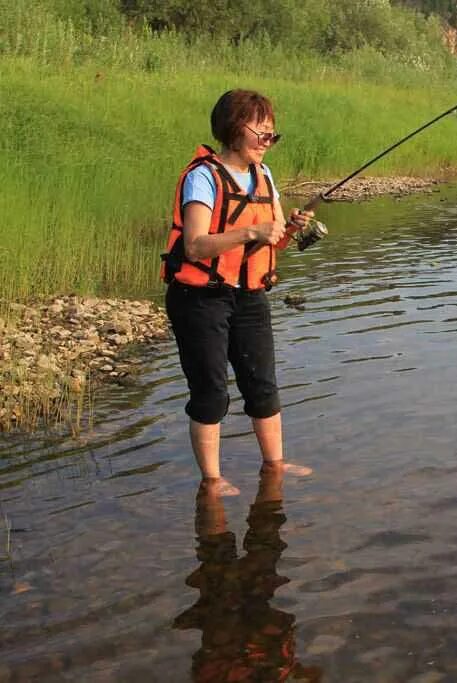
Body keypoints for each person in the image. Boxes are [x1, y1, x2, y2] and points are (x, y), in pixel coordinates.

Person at [161, 89, 314, 496]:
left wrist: (291, 229)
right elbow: (194, 245)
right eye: (260, 132)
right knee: (211, 391)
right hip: (200, 298)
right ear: (233, 130)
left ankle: (275, 466)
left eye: (271, 134)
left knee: (263, 384)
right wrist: (251, 231)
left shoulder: (264, 178)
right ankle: (212, 483)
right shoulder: (202, 177)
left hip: (249, 294)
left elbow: (273, 242)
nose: (267, 141)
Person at [173, 467, 323, 681]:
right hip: (247, 641)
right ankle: (218, 486)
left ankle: (239, 485)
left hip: (240, 637)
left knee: (226, 561)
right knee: (255, 552)